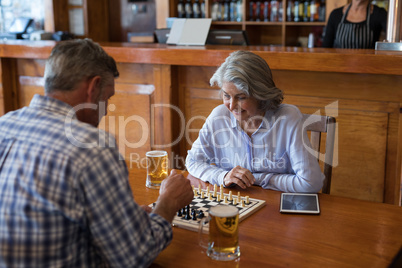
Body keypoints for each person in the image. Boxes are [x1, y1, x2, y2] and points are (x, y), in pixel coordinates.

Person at [0, 39, 193, 267]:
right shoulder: (92, 147)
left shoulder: (5, 125)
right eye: (107, 98)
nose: (105, 110)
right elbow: (135, 256)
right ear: (93, 87)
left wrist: (123, 218)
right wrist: (168, 202)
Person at [185, 50, 324, 193]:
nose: (231, 106)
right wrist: (223, 176)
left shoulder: (288, 117)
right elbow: (193, 161)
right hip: (237, 205)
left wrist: (257, 179)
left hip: (277, 206)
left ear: (260, 95)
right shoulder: (219, 116)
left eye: (241, 97)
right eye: (227, 96)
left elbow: (310, 183)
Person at [322, 0, 387, 49]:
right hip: (340, 65)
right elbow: (326, 47)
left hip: (367, 65)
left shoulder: (380, 14)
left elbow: (393, 40)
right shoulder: (335, 14)